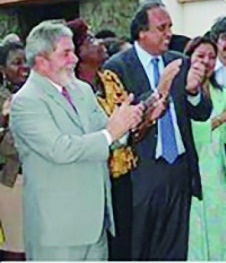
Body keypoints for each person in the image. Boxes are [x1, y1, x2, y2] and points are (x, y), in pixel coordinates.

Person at [10, 20, 142, 262]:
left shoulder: (81, 90)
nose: (74, 60)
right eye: (66, 53)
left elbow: (108, 134)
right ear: (41, 60)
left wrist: (128, 122)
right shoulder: (26, 101)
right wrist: (111, 133)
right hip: (57, 231)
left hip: (96, 225)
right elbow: (60, 149)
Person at [104, 0, 211, 261]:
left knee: (174, 249)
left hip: (178, 169)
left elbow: (201, 112)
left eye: (170, 27)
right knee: (140, 246)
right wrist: (158, 90)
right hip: (142, 171)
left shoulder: (178, 61)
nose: (169, 34)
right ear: (142, 33)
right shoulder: (118, 66)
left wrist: (194, 91)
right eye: (162, 28)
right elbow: (121, 117)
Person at [67, 18, 143, 261]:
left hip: (121, 174)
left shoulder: (109, 77)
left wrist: (143, 115)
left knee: (123, 241)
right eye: (90, 39)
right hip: (92, 177)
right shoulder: (72, 89)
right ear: (77, 52)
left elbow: (126, 118)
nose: (99, 42)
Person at [184, 36, 226, 261]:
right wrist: (221, 118)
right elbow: (193, 135)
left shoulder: (220, 91)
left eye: (211, 57)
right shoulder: (183, 92)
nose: (206, 62)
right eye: (200, 56)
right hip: (195, 175)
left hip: (218, 174)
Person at [0, 40, 29, 260]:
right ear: (2, 69)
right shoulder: (3, 99)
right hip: (11, 181)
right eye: (16, 63)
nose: (24, 67)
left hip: (39, 180)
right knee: (15, 248)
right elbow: (8, 146)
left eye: (26, 61)